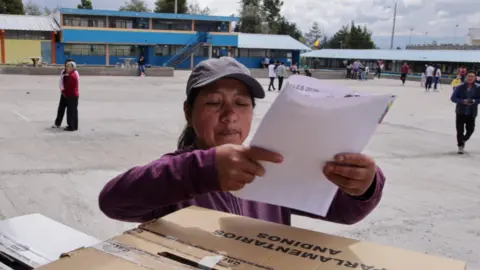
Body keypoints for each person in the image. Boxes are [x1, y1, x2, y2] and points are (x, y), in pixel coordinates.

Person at [99, 57, 386, 226]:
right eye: (213, 102)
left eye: (241, 103)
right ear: (189, 112)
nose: (229, 115)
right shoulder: (175, 173)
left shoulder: (271, 165)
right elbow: (113, 202)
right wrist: (204, 171)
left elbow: (343, 212)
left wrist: (362, 186)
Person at [450, 70, 480, 154]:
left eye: (472, 76)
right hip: (460, 112)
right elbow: (453, 98)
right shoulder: (460, 87)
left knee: (470, 130)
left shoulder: (478, 88)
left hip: (471, 112)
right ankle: (460, 146)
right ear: (466, 77)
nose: (470, 78)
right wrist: (463, 101)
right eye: (469, 76)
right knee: (460, 130)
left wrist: (475, 101)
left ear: (475, 78)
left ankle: (463, 140)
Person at [53, 58, 78, 128]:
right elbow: (61, 82)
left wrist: (66, 92)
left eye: (68, 65)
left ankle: (72, 125)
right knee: (61, 109)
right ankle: (58, 123)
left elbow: (73, 85)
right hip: (64, 93)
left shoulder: (74, 73)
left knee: (71, 110)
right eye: (66, 65)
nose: (67, 66)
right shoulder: (63, 72)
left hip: (71, 94)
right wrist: (62, 90)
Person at [63, 62, 79, 131]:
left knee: (71, 111)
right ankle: (74, 126)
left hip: (71, 95)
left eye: (68, 67)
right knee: (74, 111)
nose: (67, 69)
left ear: (72, 68)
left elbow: (69, 87)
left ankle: (71, 126)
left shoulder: (71, 76)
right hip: (74, 95)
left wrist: (64, 92)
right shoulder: (73, 74)